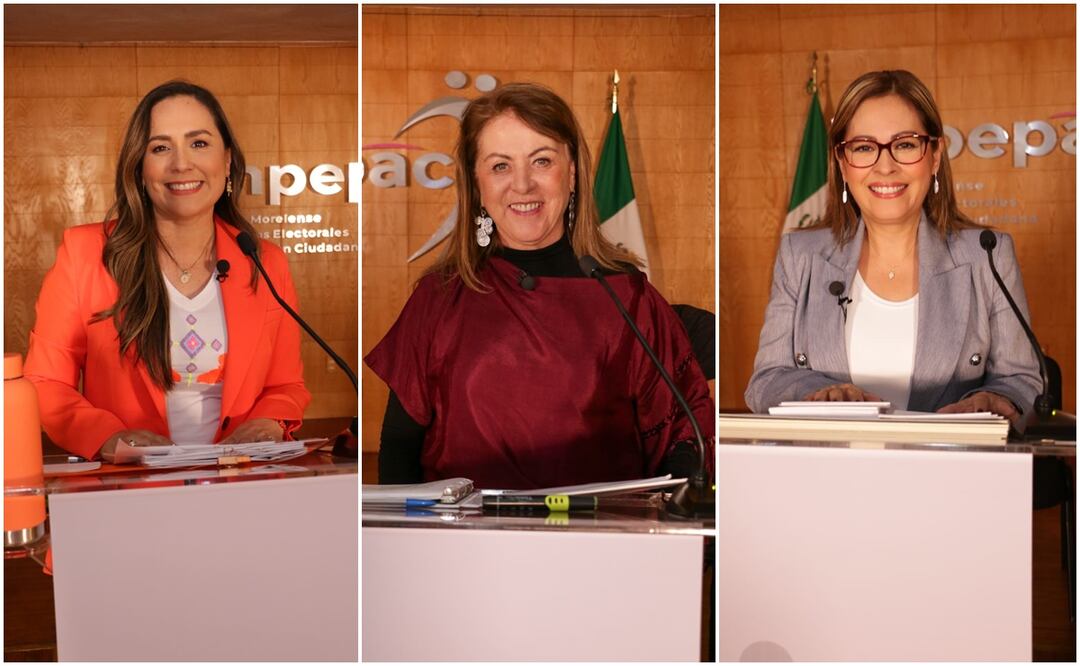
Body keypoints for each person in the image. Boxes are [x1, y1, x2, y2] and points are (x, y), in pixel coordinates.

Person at [365, 82, 714, 489]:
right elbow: (399, 450)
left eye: (541, 161)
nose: (523, 184)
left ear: (572, 173)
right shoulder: (437, 299)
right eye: (500, 166)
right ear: (476, 185)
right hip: (460, 544)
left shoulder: (627, 297)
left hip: (600, 541)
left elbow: (682, 440)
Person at [25, 81, 310, 461]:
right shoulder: (85, 254)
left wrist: (271, 421)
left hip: (241, 480)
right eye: (160, 147)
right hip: (128, 487)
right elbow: (46, 383)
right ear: (139, 169)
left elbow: (286, 384)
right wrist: (109, 438)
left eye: (199, 143)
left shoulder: (264, 260)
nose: (181, 163)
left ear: (227, 161)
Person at [745, 70, 1040, 425]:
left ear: (934, 155)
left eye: (905, 144)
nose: (885, 166)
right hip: (830, 471)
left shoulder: (987, 255)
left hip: (951, 470)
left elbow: (1023, 382)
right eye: (865, 148)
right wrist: (818, 392)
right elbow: (765, 381)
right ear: (842, 163)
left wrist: (992, 400)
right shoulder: (800, 256)